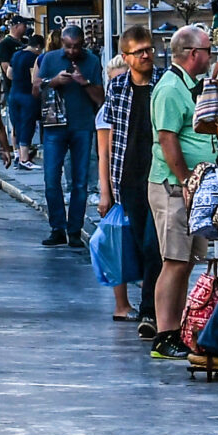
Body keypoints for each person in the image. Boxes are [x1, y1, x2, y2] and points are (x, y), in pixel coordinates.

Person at [148, 24, 216, 358]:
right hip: (172, 186)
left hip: (189, 186)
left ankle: (176, 329)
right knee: (174, 261)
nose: (210, 56)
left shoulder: (191, 85)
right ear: (192, 54)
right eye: (207, 51)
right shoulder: (171, 88)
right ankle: (164, 334)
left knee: (186, 261)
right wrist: (186, 177)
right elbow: (166, 137)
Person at [96, 24, 160, 325]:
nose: (147, 55)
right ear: (127, 56)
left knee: (154, 245)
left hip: (159, 177)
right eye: (140, 52)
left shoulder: (164, 83)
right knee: (135, 242)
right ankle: (143, 304)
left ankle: (151, 310)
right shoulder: (118, 88)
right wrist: (106, 189)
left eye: (150, 49)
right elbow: (108, 142)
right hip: (129, 178)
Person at [31, 22, 103, 248]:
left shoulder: (91, 61)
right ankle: (57, 228)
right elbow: (35, 90)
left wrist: (84, 82)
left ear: (83, 44)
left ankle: (74, 230)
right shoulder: (50, 59)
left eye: (77, 46)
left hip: (82, 125)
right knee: (51, 178)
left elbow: (100, 99)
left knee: (80, 182)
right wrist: (53, 81)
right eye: (69, 46)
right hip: (54, 126)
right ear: (62, 42)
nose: (72, 51)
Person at [2, 15, 39, 167]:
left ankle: (18, 155)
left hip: (13, 92)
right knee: (26, 124)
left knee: (16, 124)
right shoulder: (33, 56)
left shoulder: (17, 54)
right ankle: (24, 159)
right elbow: (34, 77)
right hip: (26, 94)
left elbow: (9, 73)